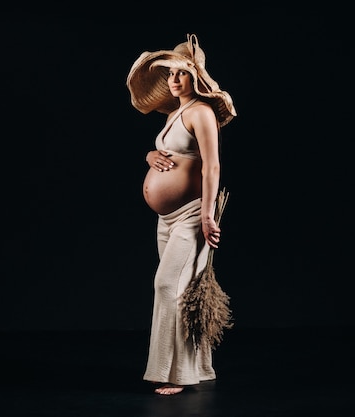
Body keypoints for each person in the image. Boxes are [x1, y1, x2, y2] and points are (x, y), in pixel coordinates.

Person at [126, 33, 237, 395]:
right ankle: (199, 367)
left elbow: (212, 166)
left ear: (195, 78)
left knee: (167, 286)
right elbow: (166, 152)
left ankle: (175, 374)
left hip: (191, 214)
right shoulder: (176, 113)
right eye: (170, 74)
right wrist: (149, 157)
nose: (174, 80)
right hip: (166, 219)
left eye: (181, 74)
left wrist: (207, 216)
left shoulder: (201, 112)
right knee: (185, 293)